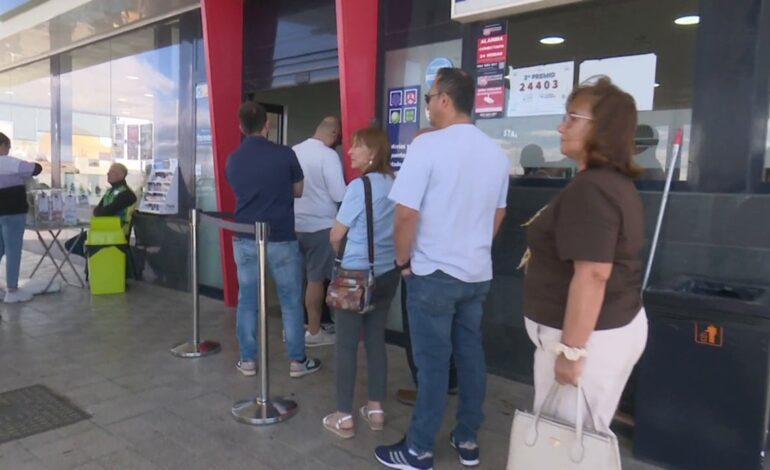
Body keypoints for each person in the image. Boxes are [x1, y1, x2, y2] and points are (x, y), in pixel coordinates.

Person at [375, 67, 509, 469]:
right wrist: (475, 245)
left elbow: (404, 216)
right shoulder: (496, 153)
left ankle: (418, 448)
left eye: (431, 97)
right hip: (476, 273)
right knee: (470, 358)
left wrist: (403, 263)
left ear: (446, 99)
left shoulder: (428, 148)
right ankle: (467, 440)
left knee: (433, 364)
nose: (428, 104)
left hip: (432, 274)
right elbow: (498, 213)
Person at [520, 77, 647, 440]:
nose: (562, 126)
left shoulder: (592, 190)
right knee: (577, 439)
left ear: (601, 129)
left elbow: (592, 275)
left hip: (586, 342)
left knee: (563, 446)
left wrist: (571, 352)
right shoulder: (610, 184)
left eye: (573, 118)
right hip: (603, 332)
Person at [226, 101, 321, 378]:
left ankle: (248, 361)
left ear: (241, 127)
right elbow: (299, 190)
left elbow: (239, 189)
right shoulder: (285, 154)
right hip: (280, 235)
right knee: (291, 300)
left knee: (248, 300)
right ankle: (297, 362)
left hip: (244, 236)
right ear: (267, 125)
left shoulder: (233, 158)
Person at [322, 127, 400, 439]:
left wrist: (335, 242)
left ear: (373, 153)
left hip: (355, 277)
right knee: (376, 341)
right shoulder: (396, 184)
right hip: (387, 273)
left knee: (345, 346)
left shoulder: (359, 187)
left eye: (357, 147)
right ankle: (376, 410)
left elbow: (336, 234)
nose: (350, 152)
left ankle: (344, 416)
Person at [395, 126, 458, 407]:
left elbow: (405, 217)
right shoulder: (455, 178)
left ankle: (425, 391)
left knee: (420, 336)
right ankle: (452, 381)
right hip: (459, 267)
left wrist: (403, 262)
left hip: (423, 266)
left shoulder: (420, 174)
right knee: (453, 330)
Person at [293, 116, 346, 347]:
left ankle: (295, 329)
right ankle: (314, 333)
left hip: (293, 225)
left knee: (295, 281)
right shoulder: (328, 155)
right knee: (316, 281)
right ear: (334, 134)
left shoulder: (294, 150)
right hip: (320, 226)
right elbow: (339, 194)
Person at [0, 132, 42, 304]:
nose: (9, 150)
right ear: (2, 145)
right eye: (8, 146)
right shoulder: (8, 162)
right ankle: (12, 289)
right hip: (13, 212)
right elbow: (36, 169)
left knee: (0, 248)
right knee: (13, 250)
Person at [65, 163, 137, 258]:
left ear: (121, 175)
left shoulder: (127, 194)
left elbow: (103, 212)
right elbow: (99, 211)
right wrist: (98, 211)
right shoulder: (110, 191)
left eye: (112, 172)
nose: (108, 174)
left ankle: (91, 258)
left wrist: (99, 211)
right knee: (72, 244)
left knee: (74, 244)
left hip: (117, 234)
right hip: (103, 230)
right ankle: (91, 258)